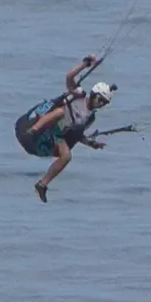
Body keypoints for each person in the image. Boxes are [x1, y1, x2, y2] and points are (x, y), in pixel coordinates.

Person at [16, 55, 117, 200]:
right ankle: (34, 130)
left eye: (104, 103)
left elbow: (78, 135)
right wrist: (85, 64)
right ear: (94, 94)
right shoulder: (78, 95)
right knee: (60, 112)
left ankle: (42, 184)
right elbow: (69, 77)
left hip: (56, 134)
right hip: (45, 122)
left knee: (67, 156)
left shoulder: (90, 117)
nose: (100, 104)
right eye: (100, 99)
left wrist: (91, 143)